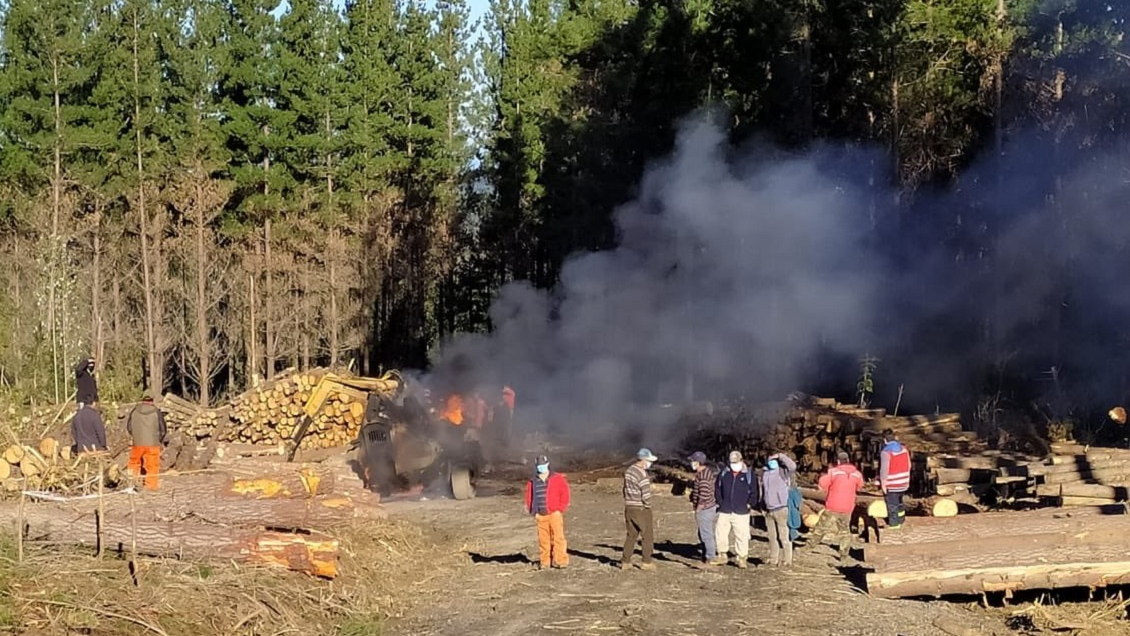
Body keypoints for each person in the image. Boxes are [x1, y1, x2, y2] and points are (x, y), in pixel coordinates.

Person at [808, 450, 864, 559]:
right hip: (848, 507)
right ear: (848, 460)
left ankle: (810, 546)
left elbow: (822, 483)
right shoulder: (857, 474)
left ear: (838, 461)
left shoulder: (833, 472)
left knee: (821, 527)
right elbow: (860, 486)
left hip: (833, 505)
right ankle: (843, 554)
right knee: (844, 530)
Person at [524, 454, 571, 569]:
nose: (541, 467)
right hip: (541, 515)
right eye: (539, 466)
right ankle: (545, 562)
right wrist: (533, 512)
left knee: (558, 538)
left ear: (548, 464)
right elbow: (529, 497)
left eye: (543, 465)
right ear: (536, 466)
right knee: (543, 540)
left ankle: (561, 561)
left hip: (554, 513)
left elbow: (565, 494)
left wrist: (560, 509)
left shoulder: (557, 478)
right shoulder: (533, 481)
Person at [713, 450, 758, 568]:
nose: (734, 465)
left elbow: (754, 492)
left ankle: (741, 557)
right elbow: (717, 488)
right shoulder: (724, 473)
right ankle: (722, 554)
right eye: (732, 462)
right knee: (720, 533)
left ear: (741, 461)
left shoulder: (749, 474)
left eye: (736, 462)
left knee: (742, 535)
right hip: (725, 509)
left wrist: (749, 504)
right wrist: (720, 502)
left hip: (741, 511)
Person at [621, 447, 658, 570]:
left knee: (631, 535)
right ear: (643, 460)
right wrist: (648, 506)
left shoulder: (629, 471)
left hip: (629, 506)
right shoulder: (642, 474)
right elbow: (646, 494)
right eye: (649, 461)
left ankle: (625, 561)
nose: (650, 463)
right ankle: (646, 562)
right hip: (641, 508)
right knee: (647, 535)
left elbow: (624, 489)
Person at [760, 451, 797, 568]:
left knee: (783, 536)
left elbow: (793, 466)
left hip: (781, 508)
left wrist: (780, 456)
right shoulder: (765, 473)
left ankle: (787, 559)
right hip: (768, 509)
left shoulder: (783, 471)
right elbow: (763, 491)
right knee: (772, 537)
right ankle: (773, 559)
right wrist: (762, 506)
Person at [126, 390, 167, 490]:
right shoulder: (156, 412)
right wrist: (158, 440)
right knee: (152, 466)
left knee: (134, 463)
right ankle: (151, 486)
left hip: (137, 443)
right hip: (152, 444)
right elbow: (163, 429)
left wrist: (136, 436)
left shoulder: (134, 411)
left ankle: (132, 483)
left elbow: (129, 427)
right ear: (152, 400)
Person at [687, 451, 719, 565]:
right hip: (706, 507)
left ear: (698, 462)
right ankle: (706, 554)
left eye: (692, 461)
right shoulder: (702, 473)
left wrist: (699, 507)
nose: (691, 463)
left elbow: (704, 494)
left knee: (706, 533)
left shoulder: (704, 475)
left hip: (705, 508)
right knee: (702, 532)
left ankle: (710, 557)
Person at [879, 429, 911, 529]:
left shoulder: (886, 452)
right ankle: (901, 520)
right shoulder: (904, 449)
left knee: (892, 505)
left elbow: (884, 470)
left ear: (885, 440)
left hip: (892, 484)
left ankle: (894, 525)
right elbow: (909, 465)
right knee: (900, 503)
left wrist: (883, 484)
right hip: (904, 482)